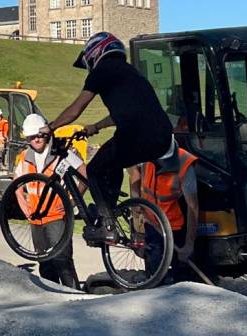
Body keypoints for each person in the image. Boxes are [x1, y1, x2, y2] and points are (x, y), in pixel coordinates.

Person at [47, 32, 173, 241]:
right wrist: (95, 126)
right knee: (114, 162)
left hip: (136, 134)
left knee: (94, 170)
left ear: (95, 53)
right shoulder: (131, 72)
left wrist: (50, 127)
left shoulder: (101, 71)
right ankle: (109, 210)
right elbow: (124, 112)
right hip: (162, 137)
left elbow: (75, 109)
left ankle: (107, 225)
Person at [14, 114, 80, 288]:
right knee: (44, 264)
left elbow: (85, 173)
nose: (36, 139)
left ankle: (75, 296)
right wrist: (23, 204)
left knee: (63, 262)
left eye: (39, 135)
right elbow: (17, 182)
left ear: (46, 134)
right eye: (31, 137)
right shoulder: (25, 156)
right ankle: (52, 297)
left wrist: (71, 203)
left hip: (57, 218)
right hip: (36, 219)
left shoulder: (61, 153)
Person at [129, 138, 199, 284]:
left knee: (181, 278)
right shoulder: (147, 153)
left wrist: (189, 245)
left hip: (175, 227)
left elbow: (193, 207)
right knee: (154, 274)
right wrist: (135, 201)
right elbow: (134, 171)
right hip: (151, 223)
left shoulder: (184, 163)